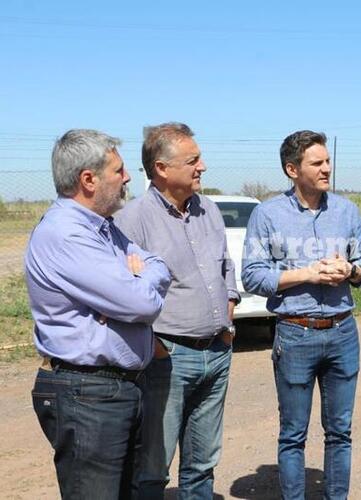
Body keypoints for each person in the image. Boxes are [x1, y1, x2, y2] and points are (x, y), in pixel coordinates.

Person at [26, 129, 171, 499]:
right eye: (119, 170)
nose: (127, 178)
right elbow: (144, 304)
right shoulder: (66, 234)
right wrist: (133, 280)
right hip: (88, 394)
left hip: (115, 389)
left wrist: (139, 277)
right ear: (88, 180)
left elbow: (158, 267)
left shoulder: (103, 229)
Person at [242, 130, 361, 500]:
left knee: (340, 432)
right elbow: (252, 275)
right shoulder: (267, 215)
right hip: (295, 334)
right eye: (317, 163)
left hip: (343, 332)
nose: (326, 168)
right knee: (293, 435)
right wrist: (308, 274)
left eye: (328, 161)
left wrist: (351, 271)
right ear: (291, 169)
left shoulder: (347, 211)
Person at [114, 122, 240, 498]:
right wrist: (153, 344)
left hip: (216, 352)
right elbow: (122, 292)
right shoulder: (132, 220)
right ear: (161, 168)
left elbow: (225, 268)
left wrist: (228, 317)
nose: (202, 167)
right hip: (167, 357)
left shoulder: (209, 209)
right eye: (193, 160)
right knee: (153, 466)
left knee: (202, 463)